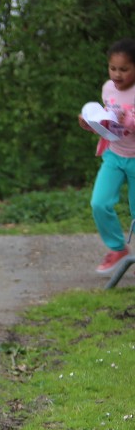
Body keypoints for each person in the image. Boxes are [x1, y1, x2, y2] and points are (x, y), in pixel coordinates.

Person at [79, 38, 135, 274]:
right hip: (114, 155)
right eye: (113, 68)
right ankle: (118, 249)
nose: (117, 74)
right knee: (99, 203)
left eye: (124, 69)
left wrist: (128, 119)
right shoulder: (108, 88)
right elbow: (109, 122)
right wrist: (91, 123)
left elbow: (127, 121)